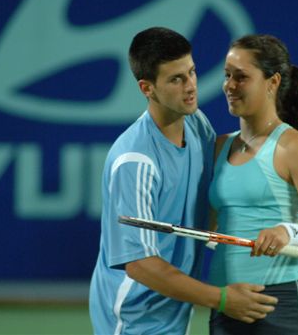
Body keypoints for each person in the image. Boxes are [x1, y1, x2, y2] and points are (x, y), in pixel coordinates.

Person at [89, 27, 279, 335]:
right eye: (176, 79)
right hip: (134, 321)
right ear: (146, 88)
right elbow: (140, 264)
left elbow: (208, 199)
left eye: (191, 73)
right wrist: (222, 299)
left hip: (173, 313)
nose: (191, 86)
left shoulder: (195, 122)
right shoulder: (135, 161)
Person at [208, 34, 298, 335]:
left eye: (241, 77)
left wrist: (288, 232)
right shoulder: (218, 147)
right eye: (227, 76)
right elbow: (212, 226)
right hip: (226, 302)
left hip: (279, 304)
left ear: (272, 82)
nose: (230, 85)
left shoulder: (294, 148)